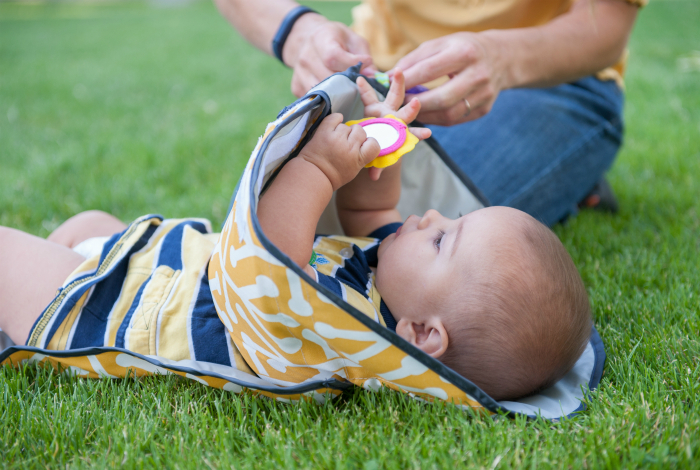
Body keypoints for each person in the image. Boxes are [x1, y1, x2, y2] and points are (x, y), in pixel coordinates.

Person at [0, 74, 591, 400]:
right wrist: (376, 149)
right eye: (451, 220)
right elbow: (372, 209)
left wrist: (319, 170)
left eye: (444, 241)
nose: (432, 219)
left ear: (422, 334)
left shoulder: (344, 337)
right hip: (156, 260)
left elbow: (268, 266)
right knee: (86, 225)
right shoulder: (397, 284)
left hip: (116, 312)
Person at [214, 0, 644, 225]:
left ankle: (566, 168)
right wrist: (299, 32)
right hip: (382, 76)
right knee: (270, 216)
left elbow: (606, 20)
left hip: (550, 79)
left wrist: (502, 57)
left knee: (410, 249)